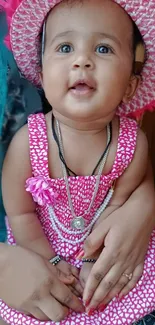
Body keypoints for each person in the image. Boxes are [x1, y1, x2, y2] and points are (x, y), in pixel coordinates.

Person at [0, 0, 155, 324]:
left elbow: (119, 204)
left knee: (123, 285)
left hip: (103, 239)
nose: (82, 61)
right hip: (39, 242)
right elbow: (20, 213)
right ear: (41, 76)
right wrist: (51, 260)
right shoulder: (28, 143)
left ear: (129, 86)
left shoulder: (132, 143)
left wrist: (94, 258)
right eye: (66, 47)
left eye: (103, 49)